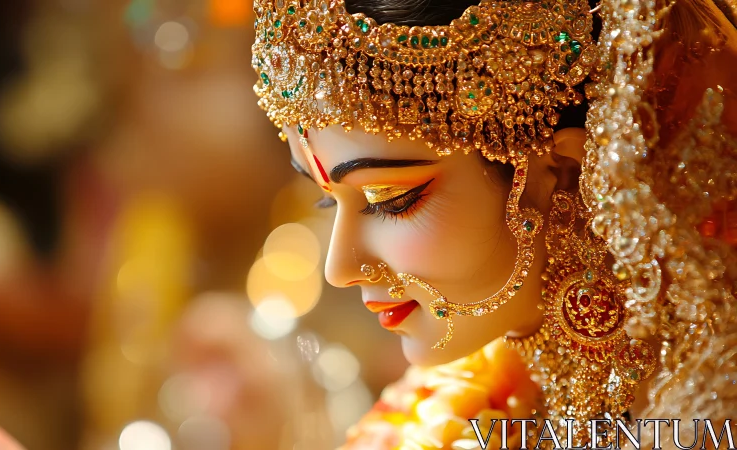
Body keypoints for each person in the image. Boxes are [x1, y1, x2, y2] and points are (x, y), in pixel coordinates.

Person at [252, 0, 737, 448]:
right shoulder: (434, 418)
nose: (338, 269)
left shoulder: (713, 409)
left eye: (391, 200)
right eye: (326, 203)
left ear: (565, 171)